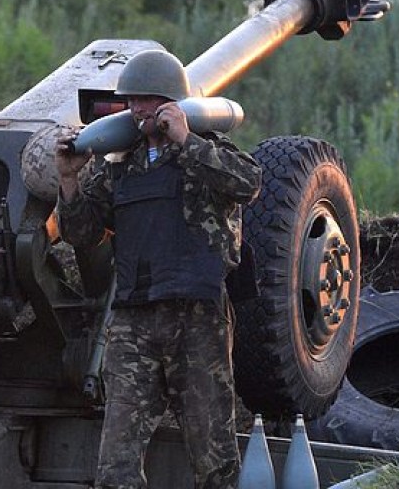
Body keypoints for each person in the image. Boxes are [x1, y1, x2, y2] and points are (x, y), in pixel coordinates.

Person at [54, 49, 263, 488]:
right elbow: (81, 232)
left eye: (146, 100)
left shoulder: (207, 151)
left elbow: (248, 184)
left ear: (170, 101)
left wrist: (188, 142)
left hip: (197, 317)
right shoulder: (120, 167)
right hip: (134, 318)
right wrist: (70, 181)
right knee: (117, 460)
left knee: (213, 453)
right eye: (131, 100)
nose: (136, 110)